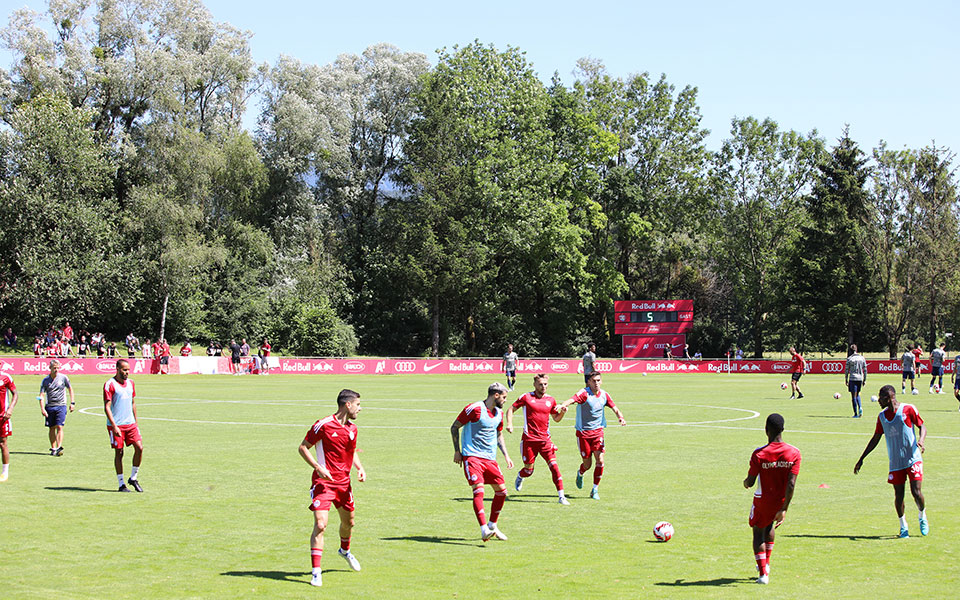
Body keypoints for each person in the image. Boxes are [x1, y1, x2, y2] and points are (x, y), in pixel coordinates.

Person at [298, 389, 365, 587]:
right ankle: (316, 572)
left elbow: (351, 451)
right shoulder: (323, 425)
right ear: (348, 405)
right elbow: (303, 447)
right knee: (320, 525)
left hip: (344, 484)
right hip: (324, 484)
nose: (360, 409)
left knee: (348, 523)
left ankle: (345, 551)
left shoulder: (352, 429)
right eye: (358, 405)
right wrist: (317, 467)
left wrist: (360, 468)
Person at [854, 385, 928, 537]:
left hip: (913, 458)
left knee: (916, 491)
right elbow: (875, 438)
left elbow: (922, 426)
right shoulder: (882, 417)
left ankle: (922, 515)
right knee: (899, 495)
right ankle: (903, 526)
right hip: (895, 462)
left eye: (880, 398)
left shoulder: (908, 409)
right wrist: (862, 458)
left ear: (888, 398)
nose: (878, 401)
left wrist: (921, 440)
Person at [451, 382, 514, 542]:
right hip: (472, 457)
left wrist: (506, 455)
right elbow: (454, 427)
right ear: (496, 395)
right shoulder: (474, 409)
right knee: (479, 491)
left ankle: (493, 525)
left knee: (502, 492)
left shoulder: (499, 413)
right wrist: (457, 451)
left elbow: (498, 434)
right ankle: (484, 529)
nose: (505, 400)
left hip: (490, 459)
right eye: (504, 397)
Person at [742, 413, 801, 585]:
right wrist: (784, 508)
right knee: (769, 527)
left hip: (763, 500)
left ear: (766, 430)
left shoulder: (759, 454)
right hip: (780, 501)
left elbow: (751, 481)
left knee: (758, 533)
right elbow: (791, 483)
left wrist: (745, 482)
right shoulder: (794, 453)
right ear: (783, 429)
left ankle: (763, 574)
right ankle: (766, 564)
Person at [557, 371, 626, 500]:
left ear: (601, 381)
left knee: (600, 461)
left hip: (598, 432)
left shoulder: (604, 395)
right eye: (593, 381)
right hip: (583, 434)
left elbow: (615, 408)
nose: (596, 383)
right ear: (588, 382)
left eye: (598, 380)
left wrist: (620, 417)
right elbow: (572, 400)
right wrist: (563, 405)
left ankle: (595, 489)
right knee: (587, 464)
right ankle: (580, 473)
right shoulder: (584, 394)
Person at [505, 374, 568, 505]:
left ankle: (561, 497)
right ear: (534, 384)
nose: (543, 386)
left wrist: (562, 412)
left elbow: (556, 419)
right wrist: (509, 423)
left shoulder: (551, 400)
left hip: (545, 441)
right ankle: (520, 476)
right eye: (540, 384)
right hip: (529, 441)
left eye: (545, 384)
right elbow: (510, 409)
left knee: (554, 467)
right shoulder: (526, 397)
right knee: (528, 471)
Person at [103, 359, 144, 492]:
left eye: (128, 370)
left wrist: (136, 422)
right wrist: (114, 426)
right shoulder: (110, 384)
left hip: (130, 424)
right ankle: (121, 484)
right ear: (117, 369)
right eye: (124, 370)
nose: (127, 372)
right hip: (117, 425)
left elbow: (133, 402)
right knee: (119, 452)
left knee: (139, 448)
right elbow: (107, 407)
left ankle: (133, 478)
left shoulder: (131, 383)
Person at [39, 359, 75, 456]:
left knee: (60, 426)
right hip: (50, 407)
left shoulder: (63, 378)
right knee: (51, 428)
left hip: (61, 406)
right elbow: (41, 395)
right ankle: (53, 448)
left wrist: (72, 402)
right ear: (50, 368)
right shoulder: (45, 380)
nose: (56, 370)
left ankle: (59, 447)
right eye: (54, 368)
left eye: (58, 368)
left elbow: (70, 389)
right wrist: (42, 408)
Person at [0, 369, 19, 482]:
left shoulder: (5, 377)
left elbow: (15, 394)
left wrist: (10, 408)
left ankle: (4, 472)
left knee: (3, 443)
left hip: (2, 417)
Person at [845, 344, 867, 418]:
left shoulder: (849, 359)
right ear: (856, 349)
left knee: (853, 396)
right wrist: (864, 379)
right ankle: (860, 407)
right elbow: (865, 370)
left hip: (853, 378)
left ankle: (855, 413)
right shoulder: (862, 358)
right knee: (857, 394)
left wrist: (846, 379)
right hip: (860, 378)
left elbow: (846, 370)